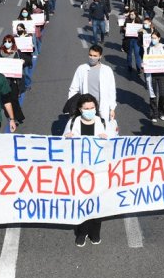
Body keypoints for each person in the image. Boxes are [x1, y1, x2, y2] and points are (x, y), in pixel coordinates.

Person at [63, 94, 113, 246]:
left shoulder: (103, 122)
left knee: (98, 202)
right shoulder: (73, 122)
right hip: (80, 171)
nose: (90, 110)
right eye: (86, 108)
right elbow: (62, 144)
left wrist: (108, 138)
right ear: (80, 109)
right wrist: (67, 138)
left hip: (99, 171)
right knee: (82, 202)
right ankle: (82, 232)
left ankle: (95, 232)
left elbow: (115, 144)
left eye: (92, 108)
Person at [68, 45, 118, 130]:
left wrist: (112, 108)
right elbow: (73, 89)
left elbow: (111, 90)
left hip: (102, 107)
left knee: (102, 130)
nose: (92, 58)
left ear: (100, 56)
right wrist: (72, 106)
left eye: (95, 56)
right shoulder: (81, 69)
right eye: (90, 55)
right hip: (87, 108)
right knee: (85, 129)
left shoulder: (107, 70)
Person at [0, 35, 27, 123]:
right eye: (5, 41)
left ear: (12, 42)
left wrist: (23, 62)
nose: (7, 43)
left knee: (14, 98)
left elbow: (26, 60)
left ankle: (18, 116)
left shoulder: (17, 52)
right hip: (3, 80)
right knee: (6, 98)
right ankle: (11, 114)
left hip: (14, 80)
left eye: (9, 42)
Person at [144, 30, 164, 123]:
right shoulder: (148, 49)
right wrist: (144, 65)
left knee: (162, 95)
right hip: (152, 75)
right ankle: (154, 114)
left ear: (159, 38)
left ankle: (161, 111)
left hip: (162, 75)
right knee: (153, 95)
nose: (153, 39)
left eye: (155, 38)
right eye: (152, 38)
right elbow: (145, 60)